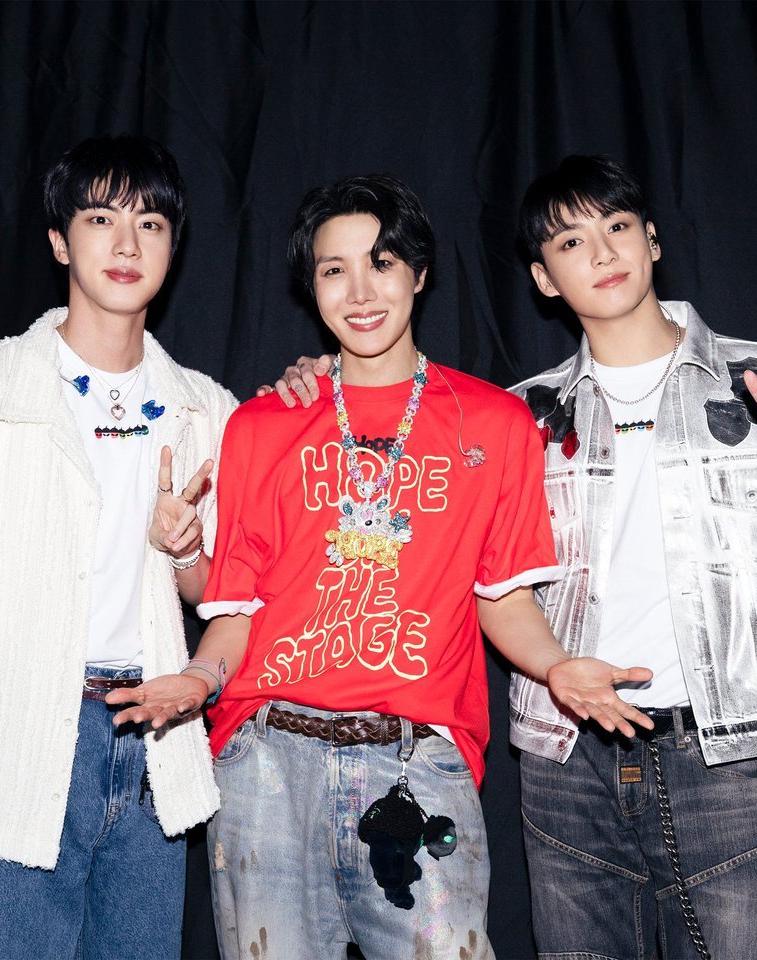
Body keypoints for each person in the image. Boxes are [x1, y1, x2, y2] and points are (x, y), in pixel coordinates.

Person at [264, 155, 757, 959]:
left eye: (617, 227)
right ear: (544, 278)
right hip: (565, 758)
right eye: (571, 242)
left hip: (723, 756)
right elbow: (459, 573)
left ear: (652, 240)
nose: (604, 252)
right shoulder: (518, 417)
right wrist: (323, 377)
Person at [108, 173, 654, 960]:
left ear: (419, 273)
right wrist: (199, 679)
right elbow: (236, 612)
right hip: (265, 767)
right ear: (312, 287)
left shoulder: (494, 422)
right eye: (335, 270)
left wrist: (555, 666)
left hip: (417, 764)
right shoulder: (262, 425)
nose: (360, 291)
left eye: (383, 263)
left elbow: (502, 598)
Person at [0, 134, 237, 959]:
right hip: (14, 753)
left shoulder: (206, 409)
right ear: (59, 240)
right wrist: (0, 701)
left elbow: (220, 594)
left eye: (150, 224)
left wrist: (184, 550)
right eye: (101, 218)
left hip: (153, 744)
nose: (126, 243)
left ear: (174, 247)